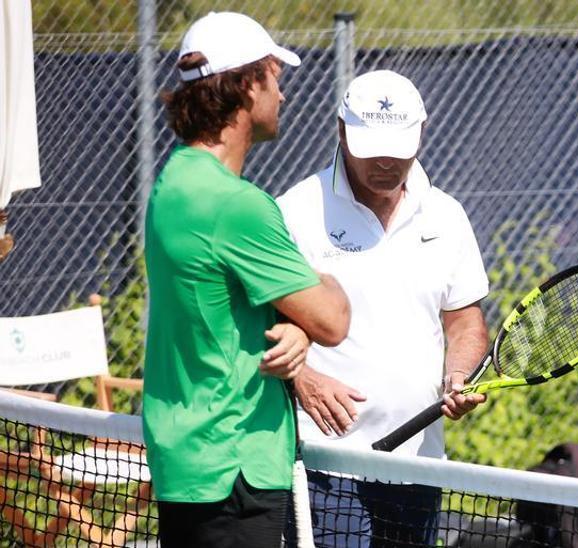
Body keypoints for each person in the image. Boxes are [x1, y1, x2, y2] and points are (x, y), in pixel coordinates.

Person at [142, 12, 351, 547]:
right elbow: (332, 318)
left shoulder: (173, 181)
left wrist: (293, 326)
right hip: (235, 469)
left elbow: (224, 303)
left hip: (189, 461)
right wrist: (316, 302)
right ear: (248, 83)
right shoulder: (237, 207)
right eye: (275, 78)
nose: (283, 95)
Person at [276, 69, 490, 547]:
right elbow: (253, 325)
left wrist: (458, 376)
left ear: (422, 134)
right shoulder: (295, 212)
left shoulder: (447, 215)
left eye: (399, 148)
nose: (387, 163)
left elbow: (465, 322)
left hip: (418, 465)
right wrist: (302, 378)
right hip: (324, 466)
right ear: (340, 131)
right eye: (372, 148)